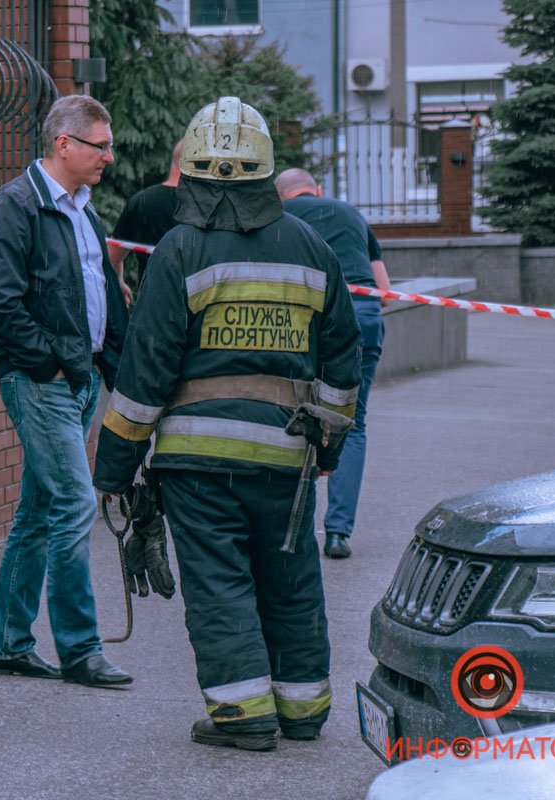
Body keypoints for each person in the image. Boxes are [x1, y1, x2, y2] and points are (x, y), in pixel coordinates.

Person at [94, 97, 361, 750]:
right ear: (265, 173)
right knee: (291, 581)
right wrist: (327, 448)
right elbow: (343, 361)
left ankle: (244, 718)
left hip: (198, 465)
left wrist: (115, 467)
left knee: (220, 586)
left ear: (193, 175)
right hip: (285, 460)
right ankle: (303, 712)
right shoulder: (312, 247)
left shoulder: (179, 249)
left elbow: (146, 368)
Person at [0, 94, 132, 689]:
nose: (109, 157)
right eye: (100, 145)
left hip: (79, 378)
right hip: (44, 381)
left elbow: (102, 298)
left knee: (40, 511)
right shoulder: (16, 205)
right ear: (63, 144)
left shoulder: (84, 210)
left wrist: (108, 373)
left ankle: (9, 643)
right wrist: (53, 366)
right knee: (75, 503)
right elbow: (0, 302)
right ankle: (80, 649)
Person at [275, 167, 391, 559]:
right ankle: (338, 533)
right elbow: (384, 290)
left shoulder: (283, 219)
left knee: (296, 416)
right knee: (353, 423)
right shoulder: (352, 213)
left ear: (281, 196)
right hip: (366, 316)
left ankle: (295, 528)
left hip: (310, 320)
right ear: (317, 189)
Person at [106, 139, 184, 303]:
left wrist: (118, 282)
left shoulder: (142, 201)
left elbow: (112, 256)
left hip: (151, 304)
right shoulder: (205, 205)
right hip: (196, 307)